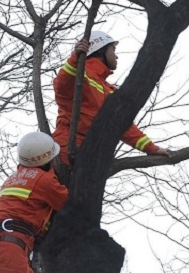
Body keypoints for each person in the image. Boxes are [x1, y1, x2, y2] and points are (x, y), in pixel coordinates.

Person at [52, 32, 170, 171]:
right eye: (113, 50)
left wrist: (150, 148)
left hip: (91, 154)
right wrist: (75, 59)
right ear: (100, 49)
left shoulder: (109, 89)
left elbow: (122, 125)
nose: (116, 55)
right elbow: (62, 85)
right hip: (66, 149)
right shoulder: (80, 73)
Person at [0, 132, 68, 273]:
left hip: (11, 251)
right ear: (47, 160)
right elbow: (72, 205)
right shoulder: (45, 181)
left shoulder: (13, 179)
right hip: (8, 254)